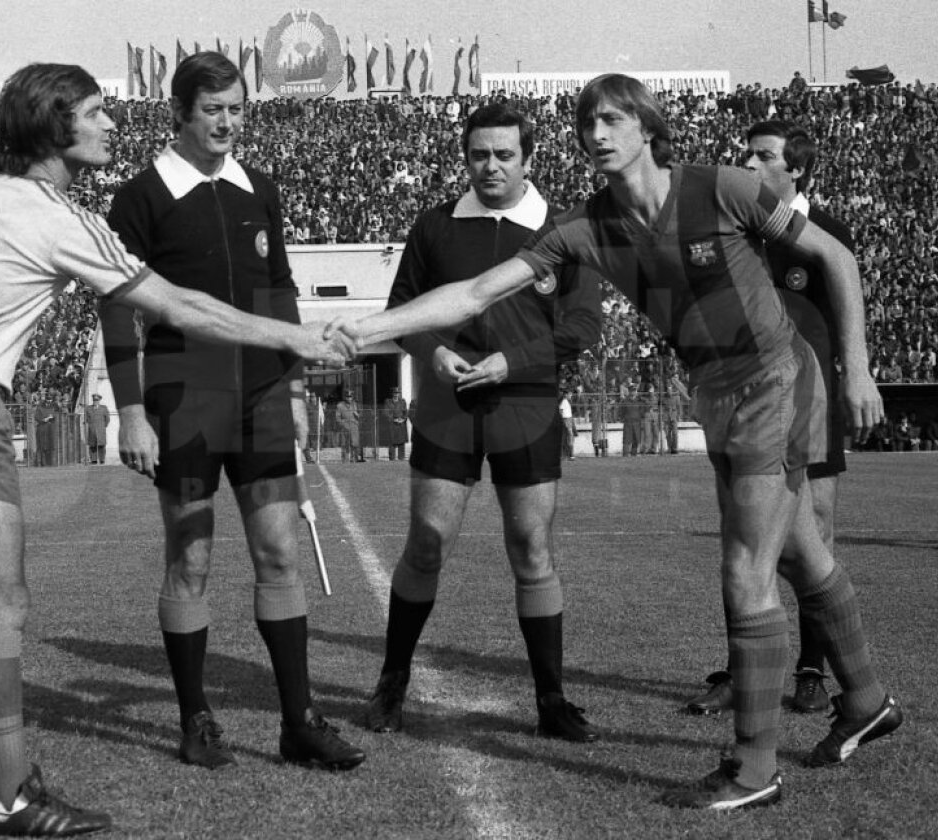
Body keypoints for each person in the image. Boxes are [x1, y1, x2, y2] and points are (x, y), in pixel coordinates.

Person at [330, 73, 899, 811]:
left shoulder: (722, 188)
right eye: (585, 122)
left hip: (775, 382)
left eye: (610, 120)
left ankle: (755, 771)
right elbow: (474, 293)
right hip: (716, 393)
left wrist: (856, 367)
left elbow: (837, 259)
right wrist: (366, 330)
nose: (594, 134)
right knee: (796, 554)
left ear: (648, 128)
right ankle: (868, 699)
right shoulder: (582, 227)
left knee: (744, 573)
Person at [0, 62, 351, 835]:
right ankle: (10, 797)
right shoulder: (59, 214)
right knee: (1, 604)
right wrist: (294, 338)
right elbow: (178, 305)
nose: (111, 125)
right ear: (54, 123)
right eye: (96, 113)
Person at [99, 52, 365, 773]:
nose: (227, 123)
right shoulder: (142, 196)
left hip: (260, 404)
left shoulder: (260, 189)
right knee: (191, 558)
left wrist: (298, 389)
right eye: (213, 109)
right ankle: (197, 720)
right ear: (180, 113)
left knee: (278, 552)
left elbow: (279, 293)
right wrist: (130, 412)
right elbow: (118, 308)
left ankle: (298, 720)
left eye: (237, 109)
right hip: (183, 402)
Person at [361, 104, 602, 743]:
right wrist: (433, 351)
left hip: (525, 407)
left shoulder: (563, 229)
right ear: (464, 157)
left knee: (531, 549)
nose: (490, 166)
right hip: (447, 409)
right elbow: (401, 312)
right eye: (478, 155)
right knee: (427, 544)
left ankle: (550, 700)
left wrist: (511, 361)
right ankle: (392, 683)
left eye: (503, 155)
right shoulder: (436, 225)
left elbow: (582, 327)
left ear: (528, 159)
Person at [685, 120, 860, 716]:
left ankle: (813, 672)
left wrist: (857, 375)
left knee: (816, 531)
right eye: (747, 155)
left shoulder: (826, 235)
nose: (750, 166)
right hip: (747, 402)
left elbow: (840, 317)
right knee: (742, 533)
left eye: (764, 157)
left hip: (810, 400)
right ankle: (741, 669)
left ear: (798, 169)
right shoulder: (738, 228)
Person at [335, 390, 365, 463]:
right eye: (347, 397)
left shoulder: (356, 405)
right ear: (345, 397)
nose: (349, 398)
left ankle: (354, 459)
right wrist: (344, 424)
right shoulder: (340, 405)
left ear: (352, 397)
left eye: (350, 397)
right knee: (344, 444)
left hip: (354, 426)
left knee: (355, 444)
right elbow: (337, 418)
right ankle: (344, 460)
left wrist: (358, 415)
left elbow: (362, 415)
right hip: (344, 427)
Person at [383, 386, 409, 461]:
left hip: (401, 425)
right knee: (392, 442)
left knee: (401, 442)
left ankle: (401, 458)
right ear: (392, 394)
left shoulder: (402, 402)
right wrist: (393, 419)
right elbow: (386, 412)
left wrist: (403, 419)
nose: (396, 394)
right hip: (392, 424)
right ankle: (392, 458)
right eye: (395, 393)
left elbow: (406, 412)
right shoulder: (388, 402)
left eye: (397, 393)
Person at [84, 393, 110, 464]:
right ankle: (93, 460)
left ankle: (102, 460)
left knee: (101, 445)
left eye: (97, 400)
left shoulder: (104, 408)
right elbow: (86, 419)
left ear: (99, 400)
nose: (95, 401)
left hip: (101, 430)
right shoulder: (88, 408)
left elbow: (107, 419)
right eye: (94, 400)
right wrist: (91, 425)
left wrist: (103, 426)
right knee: (92, 445)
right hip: (92, 430)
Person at [559, 395, 577, 460]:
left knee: (569, 437)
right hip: (566, 420)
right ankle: (569, 455)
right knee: (569, 437)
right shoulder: (564, 401)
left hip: (568, 419)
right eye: (570, 394)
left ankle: (568, 455)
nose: (571, 396)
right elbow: (561, 412)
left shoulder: (567, 402)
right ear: (566, 395)